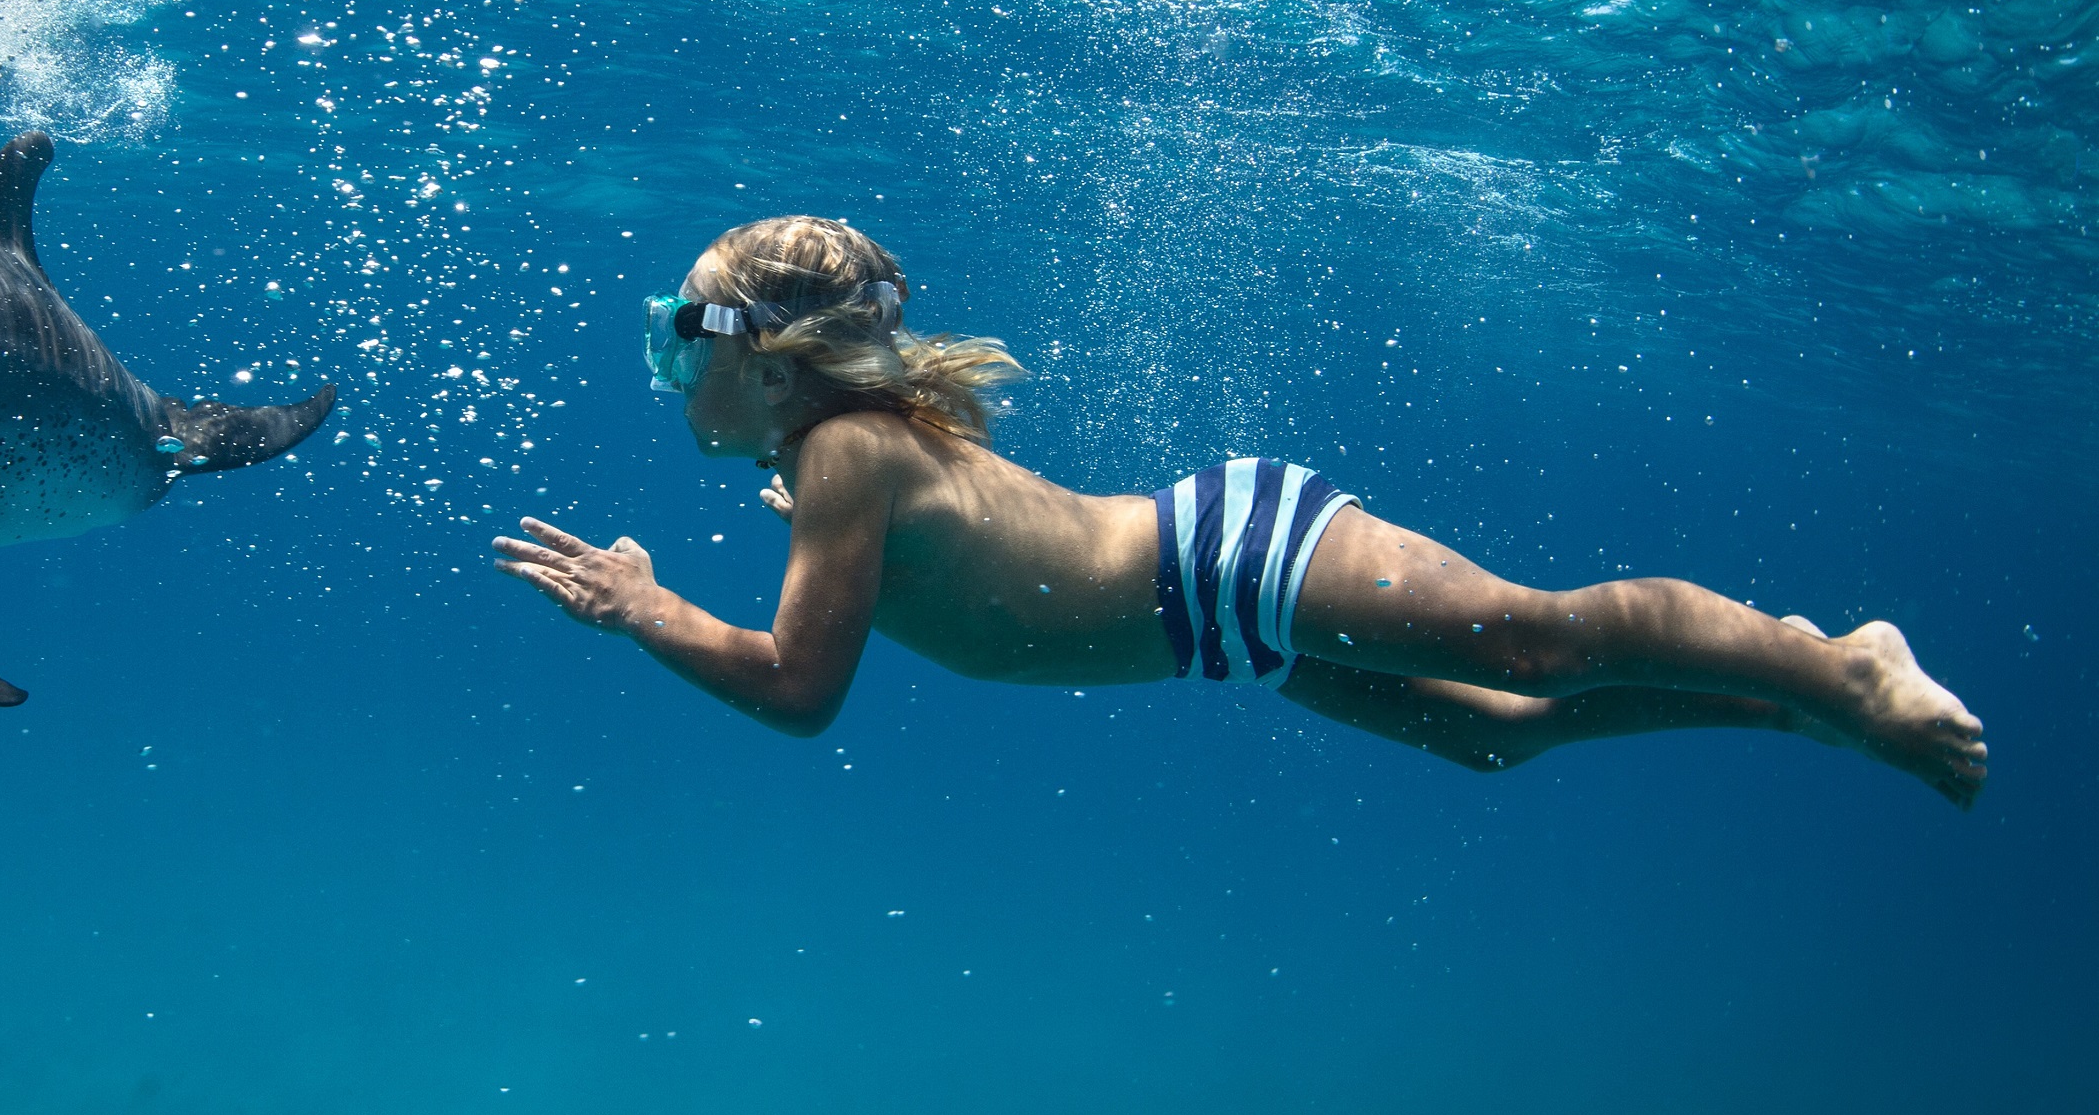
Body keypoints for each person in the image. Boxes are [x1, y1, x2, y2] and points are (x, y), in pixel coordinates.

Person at [492, 217, 1987, 808]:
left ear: (762, 357)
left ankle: (1833, 660)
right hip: (1207, 627)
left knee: (1531, 644)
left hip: (1223, 557)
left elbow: (801, 695)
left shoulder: (843, 460)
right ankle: (1796, 709)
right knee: (1497, 732)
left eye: (679, 340)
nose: (667, 373)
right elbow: (963, 562)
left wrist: (645, 609)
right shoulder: (844, 467)